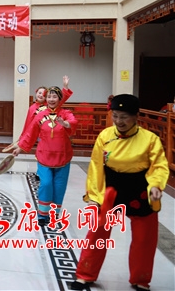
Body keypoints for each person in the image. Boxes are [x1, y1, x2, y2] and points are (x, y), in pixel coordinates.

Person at [70, 94, 169, 291]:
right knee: (96, 233)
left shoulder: (150, 139)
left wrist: (156, 185)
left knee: (144, 238)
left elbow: (159, 165)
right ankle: (85, 274)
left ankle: (140, 280)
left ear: (136, 116)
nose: (118, 121)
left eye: (124, 117)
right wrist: (93, 197)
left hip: (140, 189)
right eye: (115, 116)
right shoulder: (105, 136)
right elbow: (96, 167)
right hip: (111, 188)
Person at [12, 85, 78, 225]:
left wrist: (65, 123)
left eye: (54, 96)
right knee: (46, 184)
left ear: (59, 99)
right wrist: (20, 148)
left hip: (63, 156)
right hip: (44, 156)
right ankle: (42, 214)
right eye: (49, 96)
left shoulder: (65, 113)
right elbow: (30, 133)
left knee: (59, 186)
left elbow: (73, 122)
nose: (51, 99)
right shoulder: (40, 115)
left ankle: (54, 213)